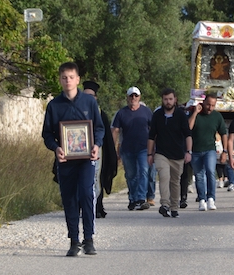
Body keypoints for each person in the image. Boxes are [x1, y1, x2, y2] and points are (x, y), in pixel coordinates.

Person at [42, 62, 105, 257]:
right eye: (64, 78)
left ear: (77, 79)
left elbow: (99, 128)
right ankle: (74, 241)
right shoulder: (54, 105)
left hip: (86, 159)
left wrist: (97, 145)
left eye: (71, 77)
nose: (67, 81)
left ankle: (89, 239)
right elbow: (47, 134)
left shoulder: (89, 102)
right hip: (65, 161)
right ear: (60, 80)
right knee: (69, 198)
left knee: (86, 194)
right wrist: (56, 148)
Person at [147, 88, 192, 218]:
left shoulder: (181, 115)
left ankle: (174, 207)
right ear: (162, 100)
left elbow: (188, 134)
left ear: (175, 100)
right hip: (161, 153)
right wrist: (149, 154)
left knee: (175, 182)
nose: (168, 102)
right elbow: (151, 136)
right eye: (165, 99)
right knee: (164, 177)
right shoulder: (157, 115)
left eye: (170, 99)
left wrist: (188, 152)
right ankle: (165, 204)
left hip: (178, 154)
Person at [111, 86, 152, 211]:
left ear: (139, 97)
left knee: (143, 171)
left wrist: (154, 147)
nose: (133, 98)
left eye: (136, 95)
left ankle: (141, 198)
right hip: (127, 149)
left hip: (143, 148)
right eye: (131, 96)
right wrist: (112, 148)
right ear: (127, 98)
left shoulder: (146, 112)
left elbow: (153, 129)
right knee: (131, 175)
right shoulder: (121, 113)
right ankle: (133, 198)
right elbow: (115, 130)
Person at [82, 80, 117, 219]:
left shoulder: (101, 114)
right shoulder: (76, 110)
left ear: (95, 97)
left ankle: (96, 207)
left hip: (97, 150)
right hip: (79, 150)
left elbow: (107, 136)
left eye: (91, 96)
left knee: (96, 178)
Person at [189, 92, 228, 211]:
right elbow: (188, 127)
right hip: (196, 150)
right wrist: (195, 113)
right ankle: (202, 199)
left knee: (210, 171)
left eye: (213, 105)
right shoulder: (195, 113)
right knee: (199, 175)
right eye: (208, 105)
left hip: (210, 149)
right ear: (203, 102)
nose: (210, 108)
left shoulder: (217, 116)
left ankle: (211, 198)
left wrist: (225, 151)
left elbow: (223, 133)